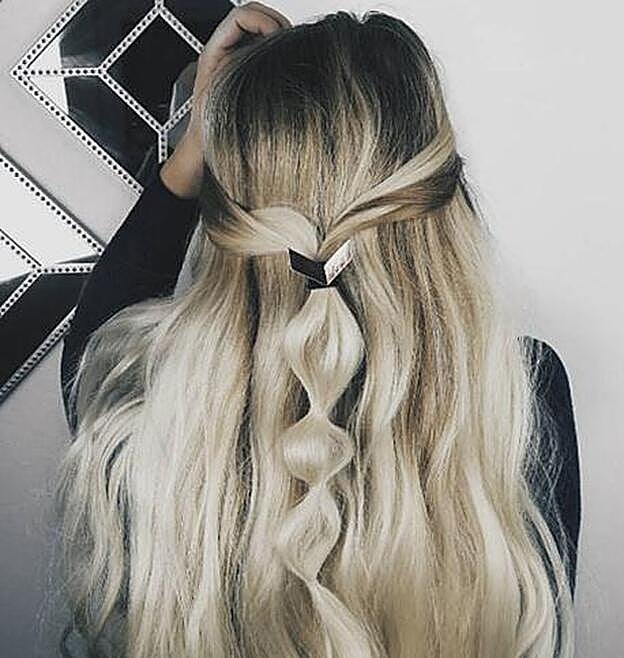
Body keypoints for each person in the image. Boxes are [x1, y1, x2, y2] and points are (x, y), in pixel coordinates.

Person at [56, 3, 581, 657]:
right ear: (442, 201)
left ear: (234, 212)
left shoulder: (157, 407)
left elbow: (94, 354)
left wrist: (193, 147)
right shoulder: (517, 398)